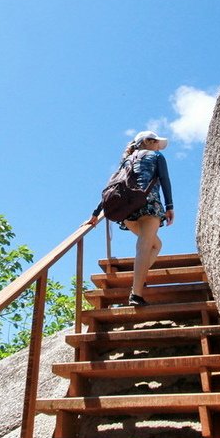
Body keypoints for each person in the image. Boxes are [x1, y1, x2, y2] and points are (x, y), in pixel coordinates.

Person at [88, 130, 174, 306]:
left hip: (127, 209)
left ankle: (139, 279)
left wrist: (96, 213)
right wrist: (170, 206)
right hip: (148, 204)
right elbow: (165, 180)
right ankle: (136, 294)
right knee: (144, 247)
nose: (159, 146)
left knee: (156, 245)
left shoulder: (127, 160)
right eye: (157, 142)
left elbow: (113, 186)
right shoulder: (156, 156)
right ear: (148, 142)